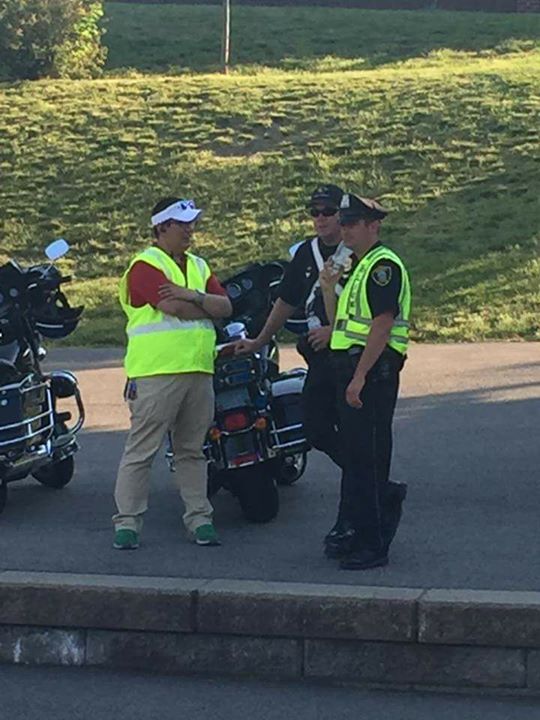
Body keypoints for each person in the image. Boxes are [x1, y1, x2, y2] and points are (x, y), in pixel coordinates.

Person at [112, 196, 232, 550]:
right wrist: (202, 304)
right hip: (156, 373)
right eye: (182, 224)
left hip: (198, 369)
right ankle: (128, 523)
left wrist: (193, 296)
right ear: (161, 227)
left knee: (191, 450)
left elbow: (225, 306)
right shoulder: (145, 265)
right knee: (142, 450)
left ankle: (200, 519)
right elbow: (171, 307)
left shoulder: (197, 264)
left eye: (192, 223)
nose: (190, 230)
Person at [234, 184, 353, 536]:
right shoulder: (306, 253)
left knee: (355, 426)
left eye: (327, 212)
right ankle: (361, 470)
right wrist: (259, 340)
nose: (319, 219)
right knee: (314, 427)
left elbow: (374, 310)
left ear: (342, 215)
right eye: (313, 212)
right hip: (319, 354)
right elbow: (285, 302)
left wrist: (335, 330)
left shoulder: (358, 251)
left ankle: (364, 483)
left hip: (352, 353)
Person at [320, 193, 411, 571]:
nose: (344, 230)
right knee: (358, 459)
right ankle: (361, 532)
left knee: (370, 459)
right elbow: (338, 320)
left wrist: (359, 376)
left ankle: (373, 544)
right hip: (352, 366)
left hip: (372, 370)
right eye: (343, 224)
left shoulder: (382, 266)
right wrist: (328, 286)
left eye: (352, 223)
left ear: (373, 226)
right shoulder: (357, 267)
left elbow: (383, 323)